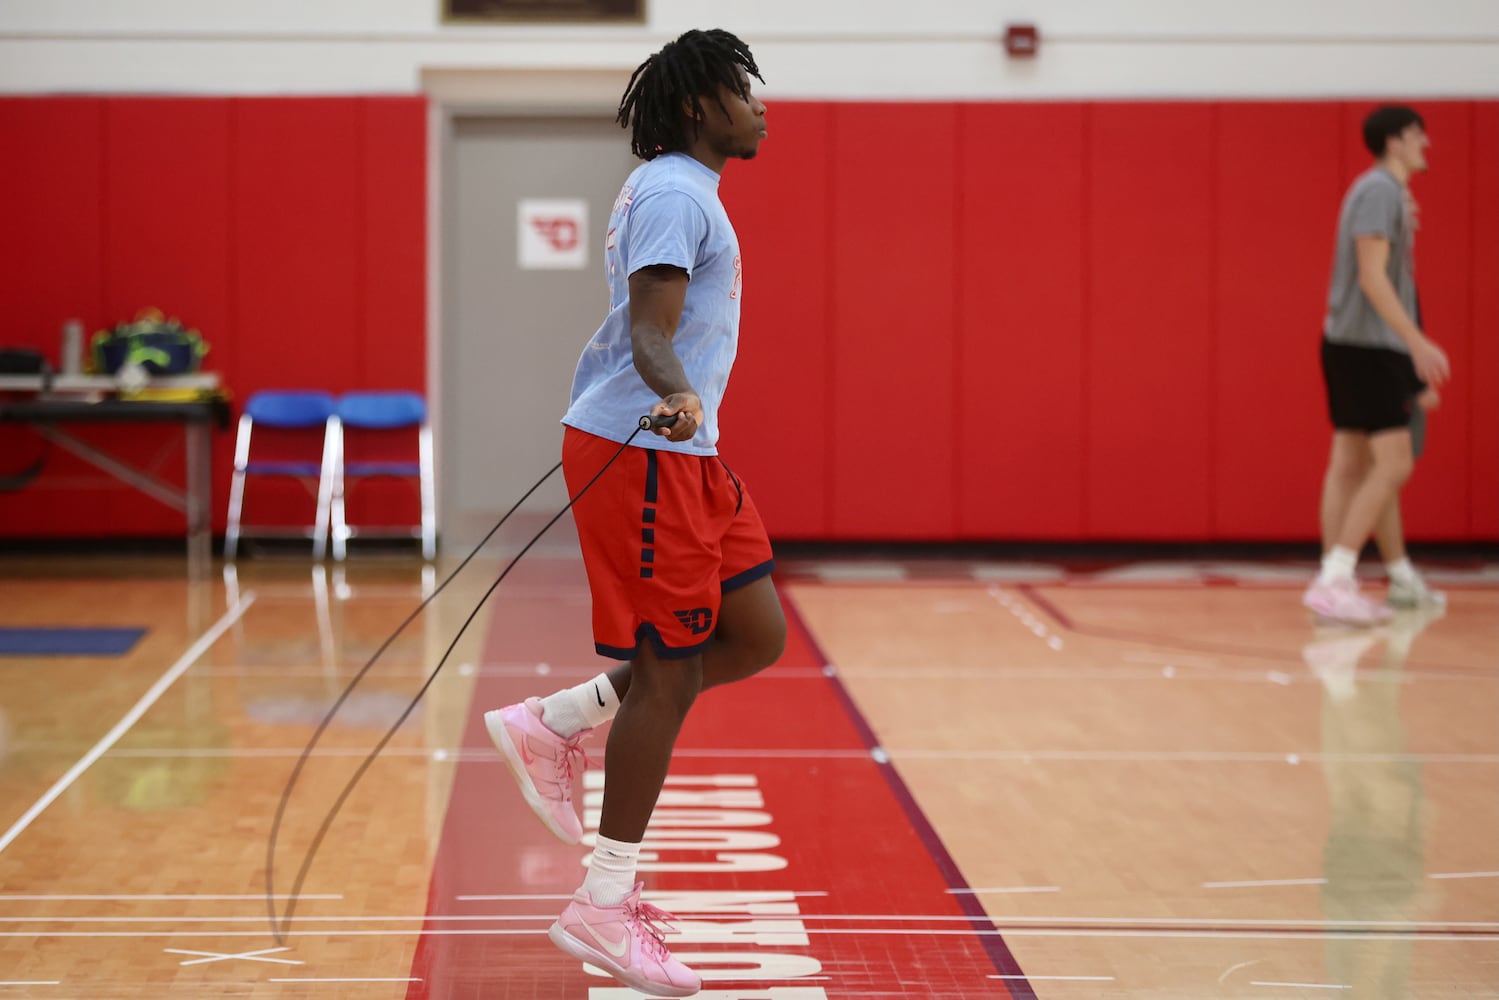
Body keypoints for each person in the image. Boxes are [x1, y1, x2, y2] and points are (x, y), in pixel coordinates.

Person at [483, 28, 783, 998]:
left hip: (683, 451)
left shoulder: (682, 190)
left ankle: (554, 720)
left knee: (755, 631)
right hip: (645, 447)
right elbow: (650, 329)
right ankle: (604, 904)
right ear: (700, 106)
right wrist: (679, 390)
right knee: (667, 667)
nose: (759, 103)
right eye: (744, 89)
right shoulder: (667, 191)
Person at [1305, 105, 1451, 626]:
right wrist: (1416, 343)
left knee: (1351, 465)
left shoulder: (1387, 195)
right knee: (1392, 465)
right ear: (1394, 141)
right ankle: (1335, 579)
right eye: (1418, 135)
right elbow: (1372, 277)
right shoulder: (1380, 192)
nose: (1426, 143)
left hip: (1355, 345)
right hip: (1369, 347)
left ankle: (1343, 577)